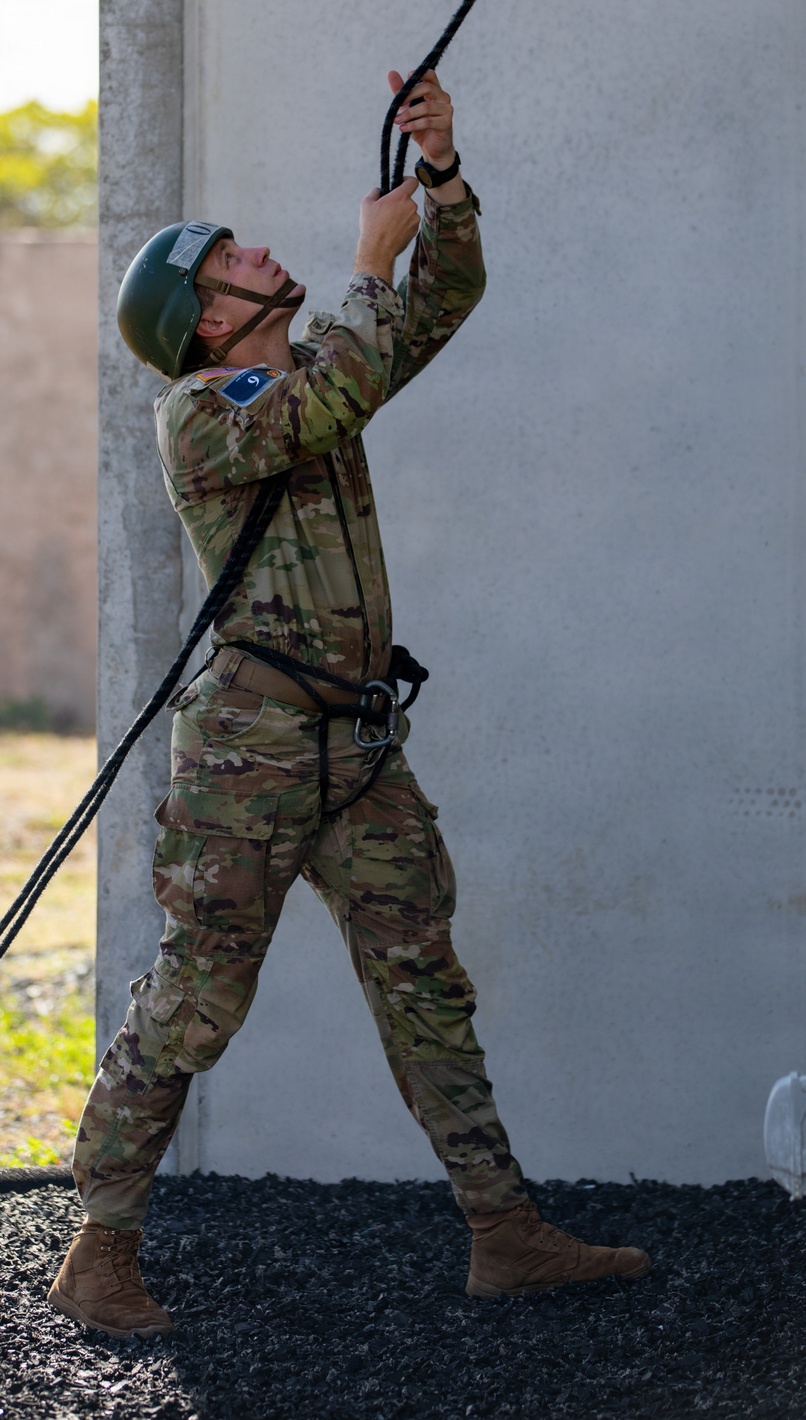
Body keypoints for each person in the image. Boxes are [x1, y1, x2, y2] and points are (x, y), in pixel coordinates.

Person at [47, 70, 650, 1339]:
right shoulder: (200, 417)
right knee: (198, 997)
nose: (264, 249)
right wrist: (374, 258)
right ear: (209, 324)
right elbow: (336, 392)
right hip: (250, 760)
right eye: (233, 256)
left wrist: (440, 178)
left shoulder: (319, 366)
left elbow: (442, 300)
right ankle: (97, 1250)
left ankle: (504, 1233)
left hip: (356, 748)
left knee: (422, 973)